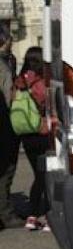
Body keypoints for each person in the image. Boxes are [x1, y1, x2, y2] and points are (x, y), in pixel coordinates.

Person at [13, 47, 50, 231]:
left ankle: (32, 216)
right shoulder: (40, 81)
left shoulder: (20, 80)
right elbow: (47, 100)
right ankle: (42, 215)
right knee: (45, 175)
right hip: (40, 132)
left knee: (38, 174)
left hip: (25, 134)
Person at [0, 29, 19, 229]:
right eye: (9, 41)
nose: (11, 44)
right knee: (6, 168)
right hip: (5, 121)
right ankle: (6, 213)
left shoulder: (8, 61)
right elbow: (6, 97)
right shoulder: (3, 65)